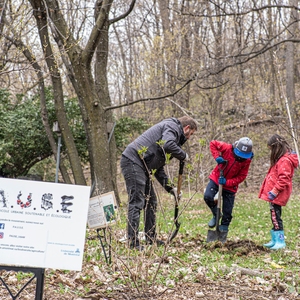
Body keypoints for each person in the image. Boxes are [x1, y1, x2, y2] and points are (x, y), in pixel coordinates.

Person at [120, 116, 197, 250]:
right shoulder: (172, 127)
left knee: (151, 201)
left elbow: (158, 169)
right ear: (186, 128)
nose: (189, 138)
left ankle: (150, 238)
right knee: (137, 201)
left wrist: (171, 188)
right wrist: (183, 155)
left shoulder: (173, 137)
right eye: (191, 134)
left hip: (142, 165)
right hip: (133, 160)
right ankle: (133, 243)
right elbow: (168, 144)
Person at [204, 137, 254, 234]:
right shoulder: (227, 148)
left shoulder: (247, 161)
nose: (240, 158)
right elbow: (213, 143)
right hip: (217, 177)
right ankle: (216, 214)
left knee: (228, 210)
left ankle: (223, 228)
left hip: (230, 186)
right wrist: (217, 157)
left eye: (243, 156)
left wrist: (227, 182)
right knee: (208, 196)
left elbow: (242, 176)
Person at [259, 134, 298, 250]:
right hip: (273, 195)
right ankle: (275, 239)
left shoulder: (284, 161)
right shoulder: (280, 159)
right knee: (274, 216)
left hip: (276, 195)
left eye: (272, 149)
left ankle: (280, 241)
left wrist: (275, 191)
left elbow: (284, 178)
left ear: (277, 148)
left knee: (276, 217)